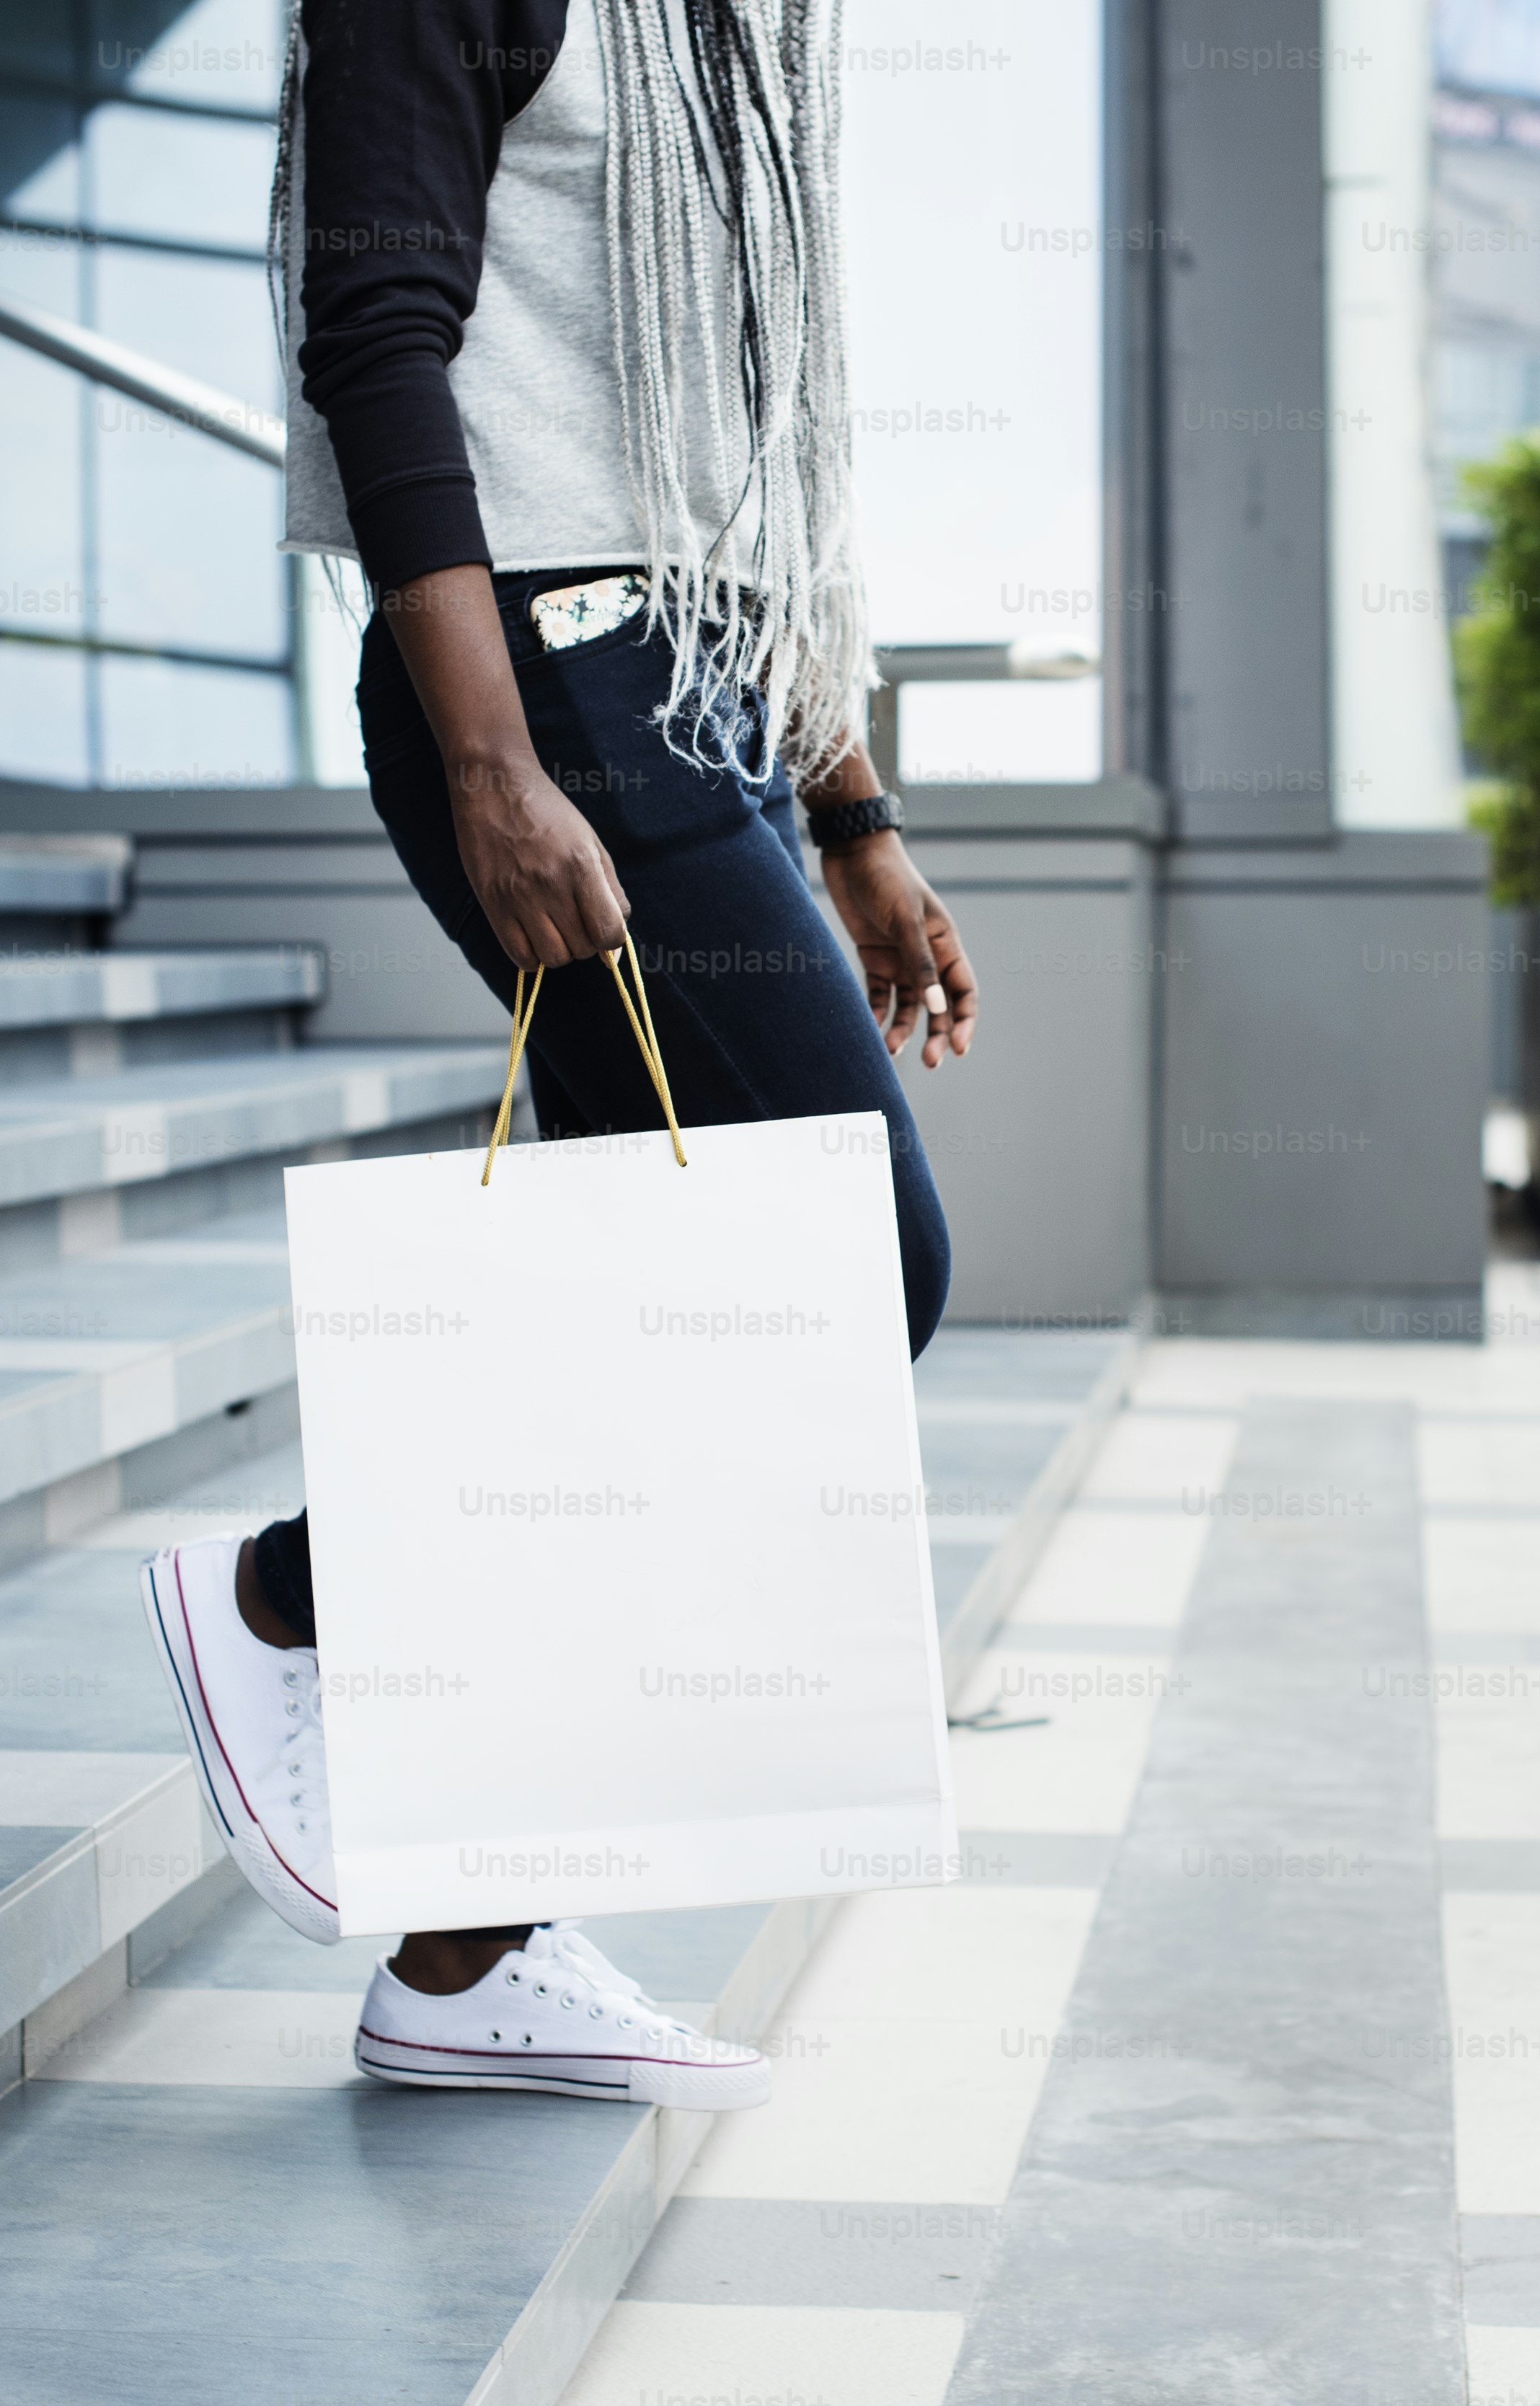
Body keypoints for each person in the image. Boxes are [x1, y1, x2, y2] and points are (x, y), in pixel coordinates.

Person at [143, 0, 975, 2112]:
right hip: (550, 698)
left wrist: (854, 815)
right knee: (853, 1261)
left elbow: (728, 437)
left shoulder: (724, 28)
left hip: (690, 689)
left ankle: (466, 1938)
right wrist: (496, 762)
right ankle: (294, 1599)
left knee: (681, 1299)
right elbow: (379, 332)